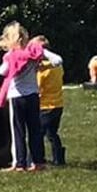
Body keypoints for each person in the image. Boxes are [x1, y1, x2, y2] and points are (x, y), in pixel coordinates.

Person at [0, 22, 46, 173]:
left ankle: (19, 163)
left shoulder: (10, 56)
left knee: (18, 130)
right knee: (34, 130)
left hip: (17, 97)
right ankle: (39, 161)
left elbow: (2, 72)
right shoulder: (32, 55)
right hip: (33, 95)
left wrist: (6, 60)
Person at [33, 35, 67, 165]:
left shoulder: (42, 69)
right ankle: (59, 157)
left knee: (38, 133)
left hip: (45, 105)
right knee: (52, 133)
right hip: (58, 104)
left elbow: (38, 87)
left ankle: (37, 158)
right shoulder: (57, 66)